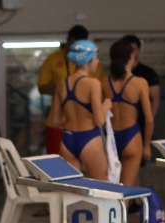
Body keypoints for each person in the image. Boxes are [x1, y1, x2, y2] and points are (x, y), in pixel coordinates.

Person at [37, 25, 104, 156]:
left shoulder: (93, 67)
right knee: (57, 164)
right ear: (69, 40)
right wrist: (65, 91)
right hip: (61, 124)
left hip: (84, 125)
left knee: (78, 166)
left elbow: (100, 93)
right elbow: (42, 86)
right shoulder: (53, 60)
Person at [50, 39, 109, 180]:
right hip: (89, 139)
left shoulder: (62, 84)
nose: (98, 62)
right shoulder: (93, 83)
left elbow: (55, 121)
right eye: (96, 58)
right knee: (102, 186)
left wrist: (72, 118)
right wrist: (106, 105)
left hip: (68, 140)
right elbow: (99, 120)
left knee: (74, 188)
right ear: (88, 60)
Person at [102, 40, 152, 188]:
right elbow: (149, 120)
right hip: (131, 137)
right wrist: (146, 145)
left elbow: (98, 115)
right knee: (126, 193)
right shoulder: (140, 83)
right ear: (131, 57)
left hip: (109, 139)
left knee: (109, 191)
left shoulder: (102, 83)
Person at [120, 35, 161, 127]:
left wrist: (149, 121)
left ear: (138, 50)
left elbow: (155, 98)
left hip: (141, 121)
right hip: (121, 121)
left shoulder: (148, 73)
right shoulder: (118, 73)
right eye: (127, 49)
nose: (131, 53)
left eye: (133, 49)